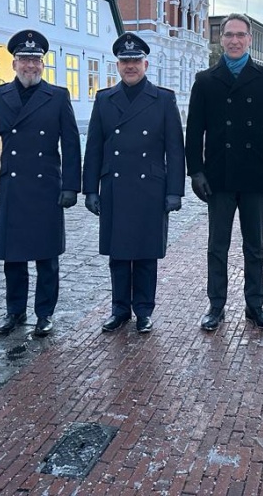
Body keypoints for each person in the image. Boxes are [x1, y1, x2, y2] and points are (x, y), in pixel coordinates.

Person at [185, 13, 263, 332]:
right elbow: (193, 131)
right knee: (217, 245)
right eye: (228, 35)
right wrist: (195, 171)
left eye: (240, 35)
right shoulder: (205, 80)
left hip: (254, 175)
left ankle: (254, 304)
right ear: (220, 39)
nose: (234, 40)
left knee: (254, 245)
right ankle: (216, 305)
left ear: (249, 40)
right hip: (218, 177)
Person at [0, 29, 80, 338]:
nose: (30, 66)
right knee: (14, 257)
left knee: (46, 258)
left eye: (35, 60)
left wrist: (70, 186)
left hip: (46, 187)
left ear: (43, 64)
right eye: (24, 59)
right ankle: (15, 311)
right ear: (14, 64)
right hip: (12, 186)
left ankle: (44, 313)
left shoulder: (58, 96)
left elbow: (72, 145)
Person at [83, 33, 185, 334]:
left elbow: (175, 150)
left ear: (146, 64)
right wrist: (90, 189)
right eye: (125, 61)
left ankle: (143, 310)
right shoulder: (104, 99)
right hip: (114, 185)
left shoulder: (163, 99)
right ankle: (119, 309)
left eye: (135, 61)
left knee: (145, 254)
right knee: (118, 254)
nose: (130, 66)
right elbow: (94, 148)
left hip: (150, 187)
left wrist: (174, 191)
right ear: (118, 65)